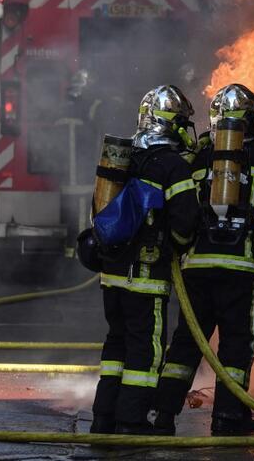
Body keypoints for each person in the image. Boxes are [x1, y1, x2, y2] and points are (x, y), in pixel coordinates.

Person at [155, 83, 254, 436]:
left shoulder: (199, 156)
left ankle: (161, 416)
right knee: (236, 344)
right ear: (250, 119)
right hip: (239, 270)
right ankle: (228, 418)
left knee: (186, 344)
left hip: (197, 267)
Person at [89, 85, 199, 435]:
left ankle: (103, 418)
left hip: (113, 275)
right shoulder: (172, 166)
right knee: (145, 353)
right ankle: (131, 422)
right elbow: (185, 226)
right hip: (146, 277)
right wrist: (177, 248)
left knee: (115, 347)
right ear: (173, 125)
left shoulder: (125, 158)